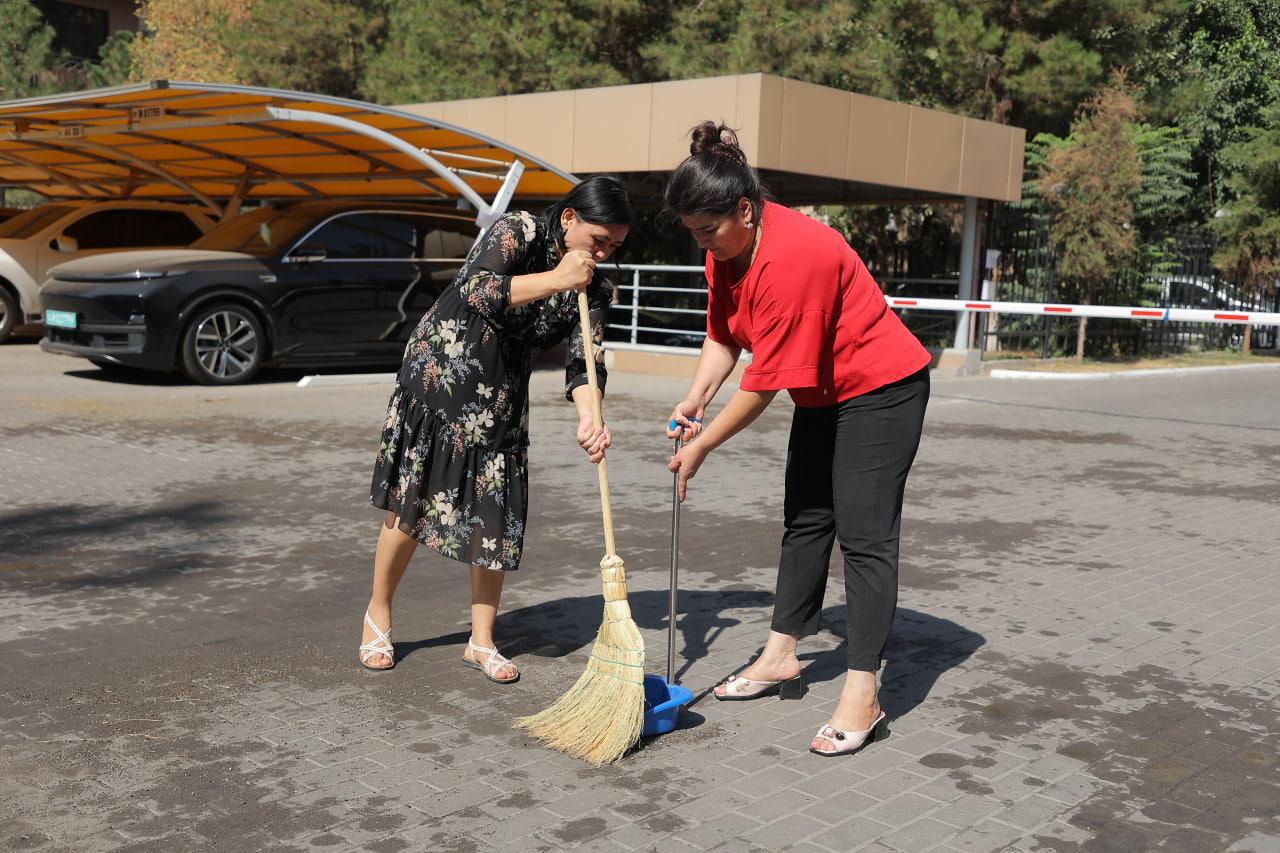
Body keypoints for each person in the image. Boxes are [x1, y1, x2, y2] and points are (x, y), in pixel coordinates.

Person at [663, 123, 931, 756]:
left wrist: (703, 445)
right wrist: (696, 397)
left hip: (882, 389)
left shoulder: (795, 258)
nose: (701, 243)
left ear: (745, 211)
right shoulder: (725, 248)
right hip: (823, 392)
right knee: (806, 519)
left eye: (707, 230)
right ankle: (781, 654)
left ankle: (863, 689)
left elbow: (762, 385)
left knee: (864, 536)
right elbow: (724, 336)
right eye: (692, 232)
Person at [358, 176, 632, 683]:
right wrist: (557, 278)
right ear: (569, 219)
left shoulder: (596, 287)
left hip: (501, 394)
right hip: (445, 371)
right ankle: (378, 614)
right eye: (599, 241)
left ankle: (481, 641)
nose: (604, 252)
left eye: (614, 245)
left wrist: (590, 417)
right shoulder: (518, 231)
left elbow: (584, 362)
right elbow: (479, 291)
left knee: (494, 516)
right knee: (413, 503)